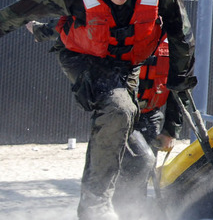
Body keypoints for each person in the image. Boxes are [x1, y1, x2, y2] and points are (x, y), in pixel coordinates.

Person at [0, 0, 196, 220]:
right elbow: (14, 14)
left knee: (136, 146)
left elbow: (183, 44)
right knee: (119, 109)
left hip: (125, 64)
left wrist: (174, 121)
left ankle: (128, 209)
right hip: (82, 57)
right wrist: (38, 30)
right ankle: (95, 207)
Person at [27, 20, 184, 218]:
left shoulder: (175, 43)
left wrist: (170, 130)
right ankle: (109, 211)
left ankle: (131, 213)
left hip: (151, 115)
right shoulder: (121, 25)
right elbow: (74, 29)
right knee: (140, 161)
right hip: (120, 114)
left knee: (141, 171)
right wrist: (39, 29)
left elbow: (181, 89)